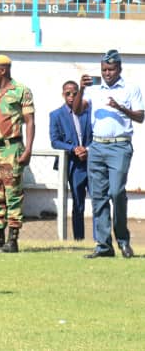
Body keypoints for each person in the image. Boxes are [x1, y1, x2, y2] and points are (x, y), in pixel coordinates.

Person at [72, 50, 143, 259]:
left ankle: (123, 240)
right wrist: (81, 90)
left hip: (119, 146)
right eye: (104, 69)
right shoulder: (94, 90)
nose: (107, 73)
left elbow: (140, 117)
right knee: (98, 196)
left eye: (111, 69)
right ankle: (104, 245)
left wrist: (120, 108)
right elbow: (76, 110)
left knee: (116, 192)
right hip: (97, 147)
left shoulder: (131, 88)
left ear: (119, 69)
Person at [0, 54, 35, 254]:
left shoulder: (21, 91)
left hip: (11, 149)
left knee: (13, 195)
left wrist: (28, 149)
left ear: (2, 70)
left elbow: (29, 121)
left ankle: (13, 239)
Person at [49, 80, 92, 241]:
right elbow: (55, 141)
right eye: (68, 93)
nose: (71, 96)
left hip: (91, 161)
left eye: (75, 93)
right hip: (73, 164)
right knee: (78, 203)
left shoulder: (89, 112)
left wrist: (86, 150)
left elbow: (97, 135)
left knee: (99, 201)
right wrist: (74, 149)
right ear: (63, 94)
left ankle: (101, 240)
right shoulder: (56, 115)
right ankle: (79, 240)